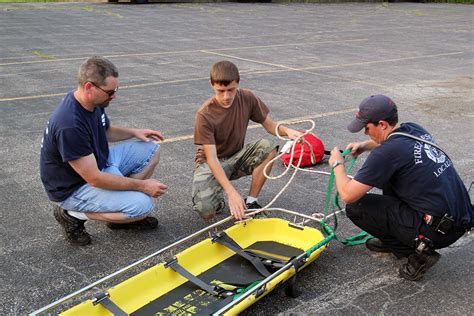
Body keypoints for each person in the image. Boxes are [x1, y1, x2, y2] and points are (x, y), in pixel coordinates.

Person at [328, 94, 472, 281]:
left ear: (381, 125)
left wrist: (337, 164)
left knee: (357, 208)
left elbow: (347, 195)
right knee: (391, 178)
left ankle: (420, 254)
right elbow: (391, 143)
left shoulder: (386, 153)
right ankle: (397, 237)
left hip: (437, 231)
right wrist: (365, 146)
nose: (365, 133)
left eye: (367, 128)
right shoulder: (413, 129)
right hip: (458, 219)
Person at [40, 56, 168, 246]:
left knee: (151, 149)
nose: (114, 96)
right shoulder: (70, 125)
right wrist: (142, 186)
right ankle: (73, 214)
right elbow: (94, 179)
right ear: (90, 87)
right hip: (74, 187)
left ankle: (119, 214)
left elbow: (105, 130)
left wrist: (134, 132)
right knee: (143, 205)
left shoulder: (90, 102)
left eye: (115, 90)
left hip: (99, 163)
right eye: (110, 92)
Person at [192, 60, 302, 221]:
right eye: (221, 90)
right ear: (211, 84)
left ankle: (251, 202)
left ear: (238, 83)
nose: (226, 96)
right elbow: (212, 159)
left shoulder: (247, 98)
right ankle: (219, 198)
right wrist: (232, 193)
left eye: (231, 90)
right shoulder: (204, 114)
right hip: (211, 163)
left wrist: (288, 132)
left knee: (268, 147)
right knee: (206, 211)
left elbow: (270, 126)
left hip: (236, 156)